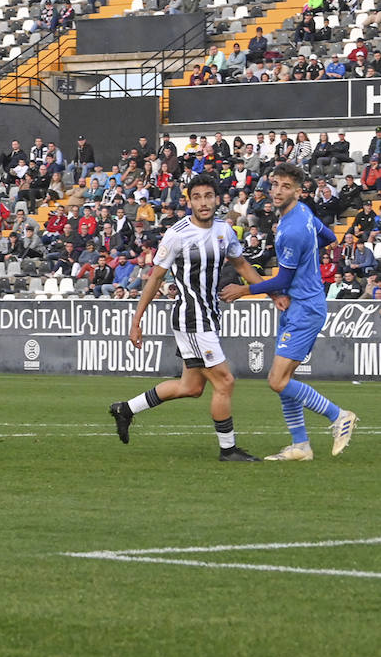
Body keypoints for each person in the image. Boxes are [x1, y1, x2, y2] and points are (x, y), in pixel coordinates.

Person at [109, 176, 274, 461]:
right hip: (191, 318)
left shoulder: (225, 231)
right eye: (197, 197)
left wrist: (269, 291)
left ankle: (125, 408)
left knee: (191, 387)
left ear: (217, 199)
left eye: (208, 196)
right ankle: (228, 450)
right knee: (225, 382)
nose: (203, 202)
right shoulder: (177, 233)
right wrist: (136, 321)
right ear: (189, 201)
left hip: (209, 315)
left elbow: (241, 263)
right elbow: (155, 277)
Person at [221, 164, 357, 460]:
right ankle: (300, 445)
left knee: (277, 380)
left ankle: (339, 416)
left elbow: (282, 279)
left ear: (297, 190)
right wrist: (309, 256)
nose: (278, 191)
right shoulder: (302, 214)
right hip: (298, 305)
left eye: (285, 186)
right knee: (283, 381)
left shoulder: (292, 229)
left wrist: (242, 290)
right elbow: (329, 238)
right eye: (275, 185)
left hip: (304, 308)